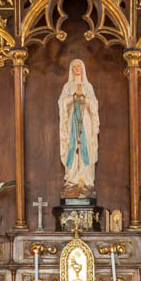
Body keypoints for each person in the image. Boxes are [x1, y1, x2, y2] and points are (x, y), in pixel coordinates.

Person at [57, 58, 99, 198]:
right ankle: (72, 179)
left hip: (85, 121)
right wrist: (73, 98)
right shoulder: (67, 86)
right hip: (72, 122)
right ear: (71, 69)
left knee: (85, 148)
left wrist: (85, 99)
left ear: (82, 69)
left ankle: (85, 181)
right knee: (72, 146)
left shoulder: (88, 87)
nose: (76, 68)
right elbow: (62, 103)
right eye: (74, 66)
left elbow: (94, 104)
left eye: (79, 66)